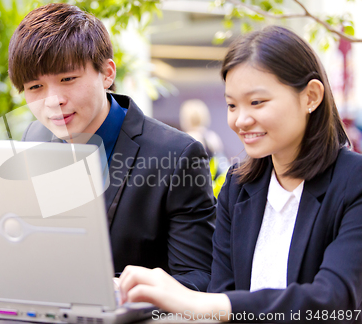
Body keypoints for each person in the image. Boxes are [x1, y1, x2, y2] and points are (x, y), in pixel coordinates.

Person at [0, 3, 215, 297]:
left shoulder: (177, 155)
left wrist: (120, 289)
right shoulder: (31, 139)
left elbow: (199, 279)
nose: (52, 101)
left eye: (68, 79)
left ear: (107, 74)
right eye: (35, 87)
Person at [119, 25, 362, 323]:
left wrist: (199, 302)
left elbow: (332, 302)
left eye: (257, 102)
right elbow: (223, 289)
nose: (241, 120)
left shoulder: (353, 182)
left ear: (311, 96)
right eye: (232, 105)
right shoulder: (239, 185)